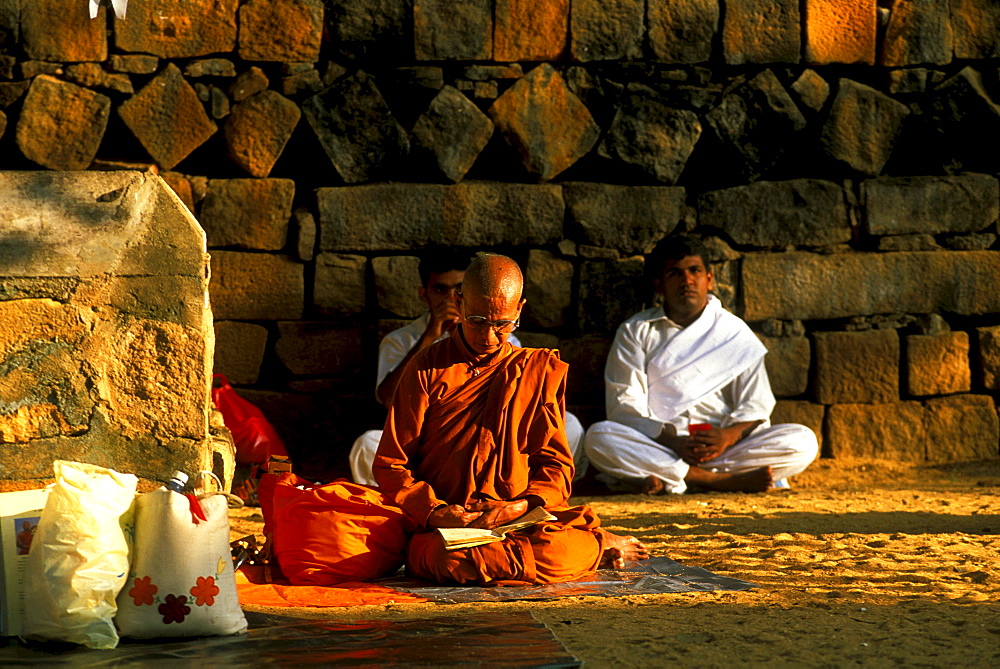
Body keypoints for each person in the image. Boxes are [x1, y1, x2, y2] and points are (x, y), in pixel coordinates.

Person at [372, 254, 647, 584]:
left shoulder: (533, 370)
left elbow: (556, 466)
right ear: (459, 303)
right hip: (450, 527)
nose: (489, 337)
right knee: (442, 560)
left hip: (519, 520)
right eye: (476, 321)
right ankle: (591, 550)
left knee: (556, 548)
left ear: (519, 310)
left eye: (502, 325)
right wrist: (436, 513)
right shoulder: (426, 368)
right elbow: (390, 465)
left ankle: (588, 546)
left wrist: (519, 507)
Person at [584, 235, 818, 495]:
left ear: (709, 278)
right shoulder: (636, 331)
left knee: (803, 441)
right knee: (599, 438)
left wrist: (726, 437)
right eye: (675, 273)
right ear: (659, 284)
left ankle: (676, 478)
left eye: (695, 271)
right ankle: (720, 481)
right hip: (662, 446)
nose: (687, 281)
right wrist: (672, 440)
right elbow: (624, 404)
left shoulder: (733, 332)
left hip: (725, 449)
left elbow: (757, 404)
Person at [349, 248, 587, 485]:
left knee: (570, 426)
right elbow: (389, 402)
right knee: (368, 445)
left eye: (501, 325)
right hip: (429, 454)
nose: (489, 338)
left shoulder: (512, 347)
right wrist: (432, 334)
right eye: (440, 289)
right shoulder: (404, 343)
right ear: (427, 295)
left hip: (495, 452)